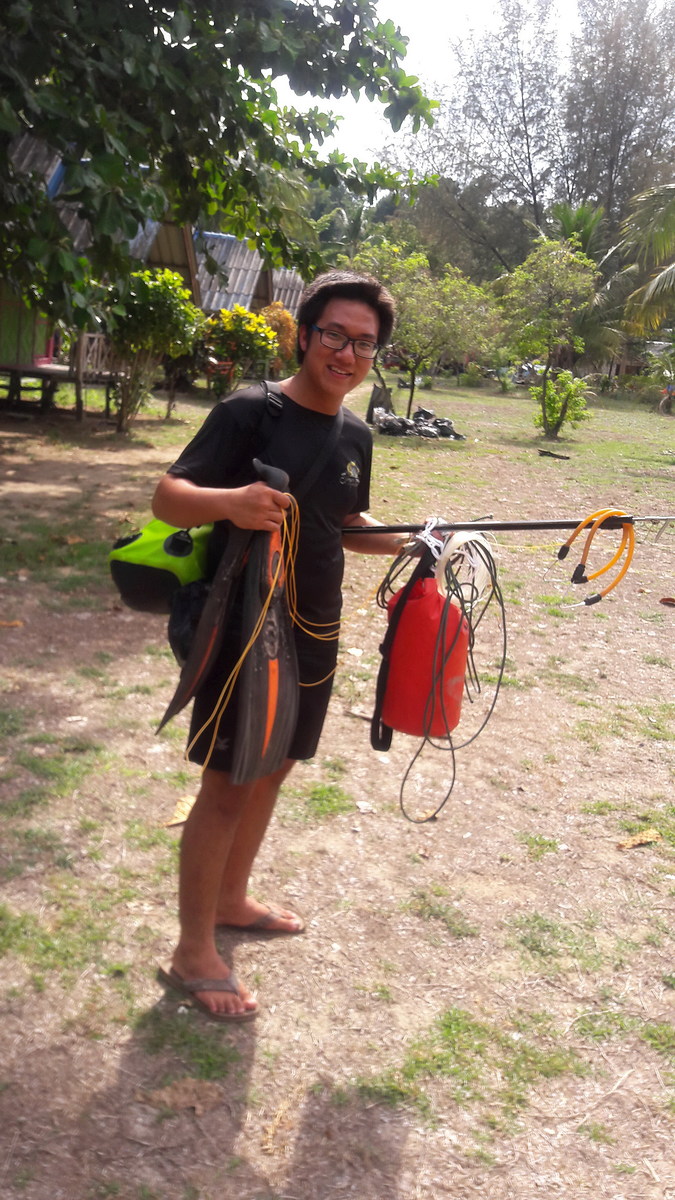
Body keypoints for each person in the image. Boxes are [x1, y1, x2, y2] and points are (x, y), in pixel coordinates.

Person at [152, 269, 407, 1021]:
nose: (347, 352)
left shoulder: (356, 434)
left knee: (276, 770)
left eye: (364, 343)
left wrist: (413, 541)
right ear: (305, 335)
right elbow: (168, 497)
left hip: (315, 630)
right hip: (244, 629)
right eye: (334, 334)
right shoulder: (250, 412)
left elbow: (344, 524)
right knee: (230, 781)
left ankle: (230, 900)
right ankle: (192, 950)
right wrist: (232, 502)